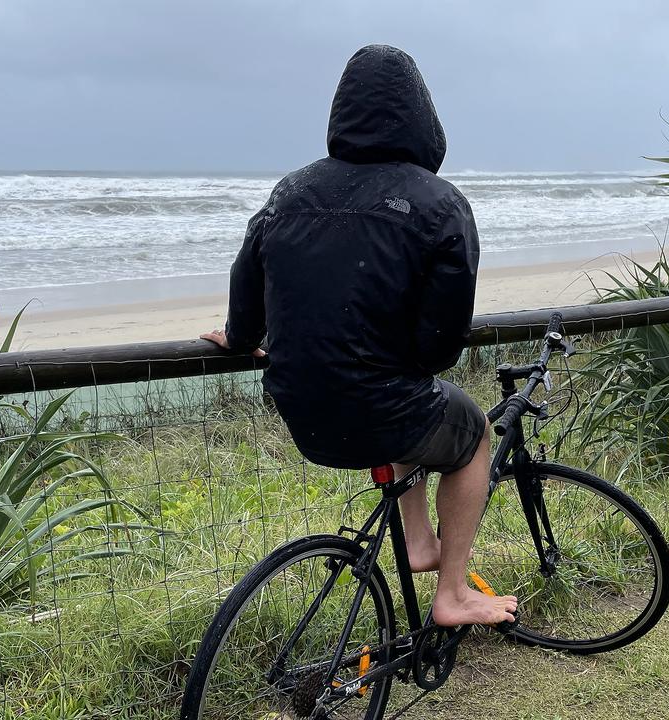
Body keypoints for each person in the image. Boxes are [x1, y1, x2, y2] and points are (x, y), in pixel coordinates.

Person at [201, 44, 516, 627]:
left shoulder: (287, 193)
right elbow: (439, 349)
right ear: (423, 116)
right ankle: (452, 595)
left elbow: (245, 299)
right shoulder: (440, 204)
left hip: (301, 409)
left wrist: (239, 336)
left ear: (340, 113)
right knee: (469, 435)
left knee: (407, 413)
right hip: (381, 409)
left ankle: (419, 542)